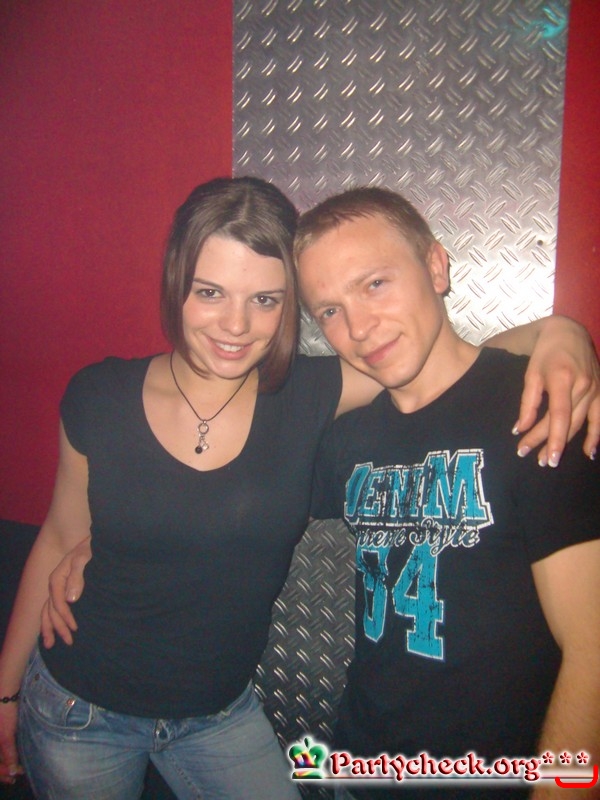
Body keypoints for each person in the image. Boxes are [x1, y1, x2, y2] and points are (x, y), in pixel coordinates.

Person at [1, 176, 598, 799]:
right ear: (177, 283)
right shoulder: (101, 396)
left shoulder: (313, 395)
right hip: (80, 707)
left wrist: (559, 334)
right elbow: (61, 535)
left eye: (265, 299)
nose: (236, 324)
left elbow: (448, 373)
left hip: (218, 715)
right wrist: (6, 691)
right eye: (210, 292)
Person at [294, 186, 600, 799]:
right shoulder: (346, 440)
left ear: (436, 266)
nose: (357, 328)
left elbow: (593, 649)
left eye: (375, 283)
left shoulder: (534, 405)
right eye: (329, 311)